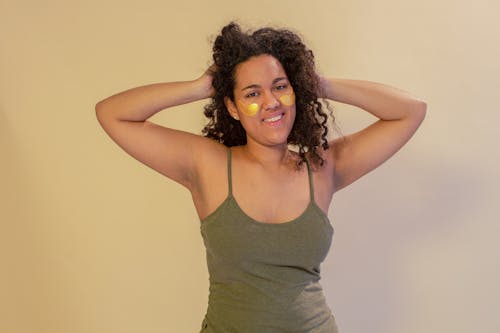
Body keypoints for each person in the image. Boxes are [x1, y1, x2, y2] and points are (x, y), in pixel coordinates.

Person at [95, 22, 426, 333]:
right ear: (233, 107)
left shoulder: (321, 167)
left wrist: (314, 82)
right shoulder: (208, 165)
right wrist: (198, 88)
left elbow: (410, 111)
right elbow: (114, 114)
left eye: (280, 87)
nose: (271, 102)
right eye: (252, 94)